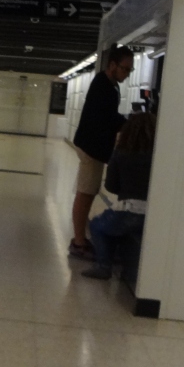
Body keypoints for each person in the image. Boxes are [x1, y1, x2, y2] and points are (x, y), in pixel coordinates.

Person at [69, 45, 134, 260]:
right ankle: (78, 242)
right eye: (125, 69)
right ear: (113, 65)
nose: (127, 74)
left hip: (95, 148)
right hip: (91, 148)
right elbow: (106, 118)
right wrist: (128, 123)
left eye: (130, 70)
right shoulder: (102, 85)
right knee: (85, 193)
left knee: (88, 192)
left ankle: (80, 238)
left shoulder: (109, 85)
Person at [83, 112, 156, 280]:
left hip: (128, 212)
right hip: (154, 214)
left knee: (97, 225)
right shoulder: (160, 157)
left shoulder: (121, 153)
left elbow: (111, 186)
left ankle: (103, 266)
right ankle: (130, 271)